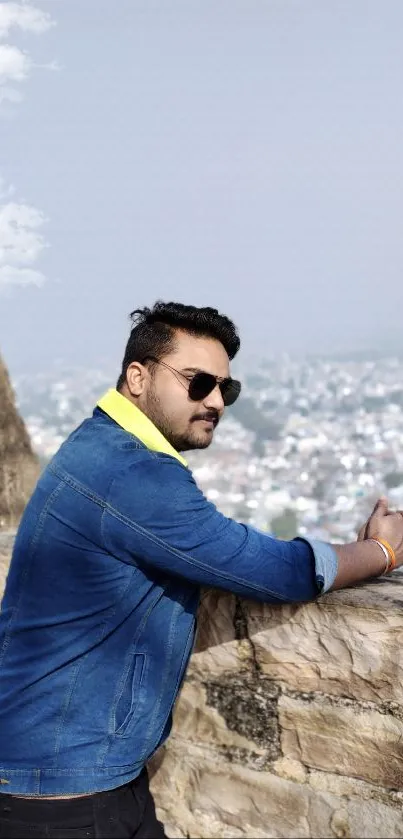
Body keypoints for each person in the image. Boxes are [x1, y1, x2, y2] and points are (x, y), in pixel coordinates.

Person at [0, 300, 402, 839]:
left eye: (225, 389)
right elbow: (271, 569)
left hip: (80, 767)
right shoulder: (132, 472)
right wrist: (381, 553)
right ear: (137, 377)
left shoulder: (98, 445)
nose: (215, 401)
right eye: (197, 382)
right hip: (63, 789)